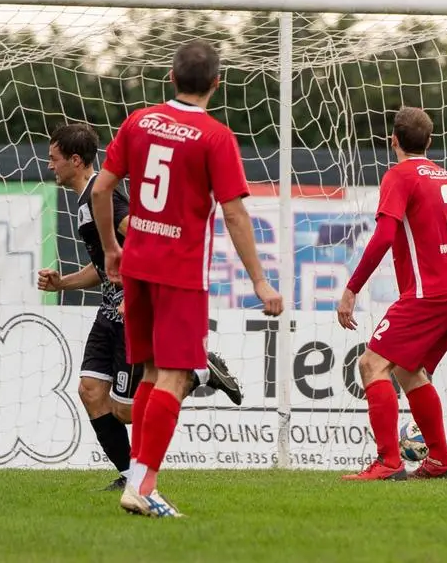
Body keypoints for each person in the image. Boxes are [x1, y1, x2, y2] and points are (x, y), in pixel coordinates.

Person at [92, 39, 283, 517]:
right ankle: (141, 486)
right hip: (179, 274)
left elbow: (101, 188)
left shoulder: (139, 121)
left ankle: (140, 482)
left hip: (136, 268)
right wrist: (260, 281)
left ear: (171, 78)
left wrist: (113, 248)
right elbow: (235, 214)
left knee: (155, 375)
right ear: (217, 84)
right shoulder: (215, 136)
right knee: (177, 375)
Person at [39, 123, 245, 492]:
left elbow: (142, 238)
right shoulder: (86, 199)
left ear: (74, 160)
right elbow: (107, 264)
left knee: (124, 410)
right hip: (108, 311)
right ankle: (129, 475)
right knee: (89, 391)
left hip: (127, 311)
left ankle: (197, 373)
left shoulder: (103, 196)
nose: (49, 165)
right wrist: (64, 283)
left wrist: (136, 295)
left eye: (54, 159)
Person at [337, 106, 447, 481]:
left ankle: (388, 462)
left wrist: (351, 289)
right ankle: (441, 460)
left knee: (371, 365)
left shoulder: (399, 175)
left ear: (393, 140)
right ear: (430, 142)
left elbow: (384, 236)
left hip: (431, 292)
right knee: (407, 369)